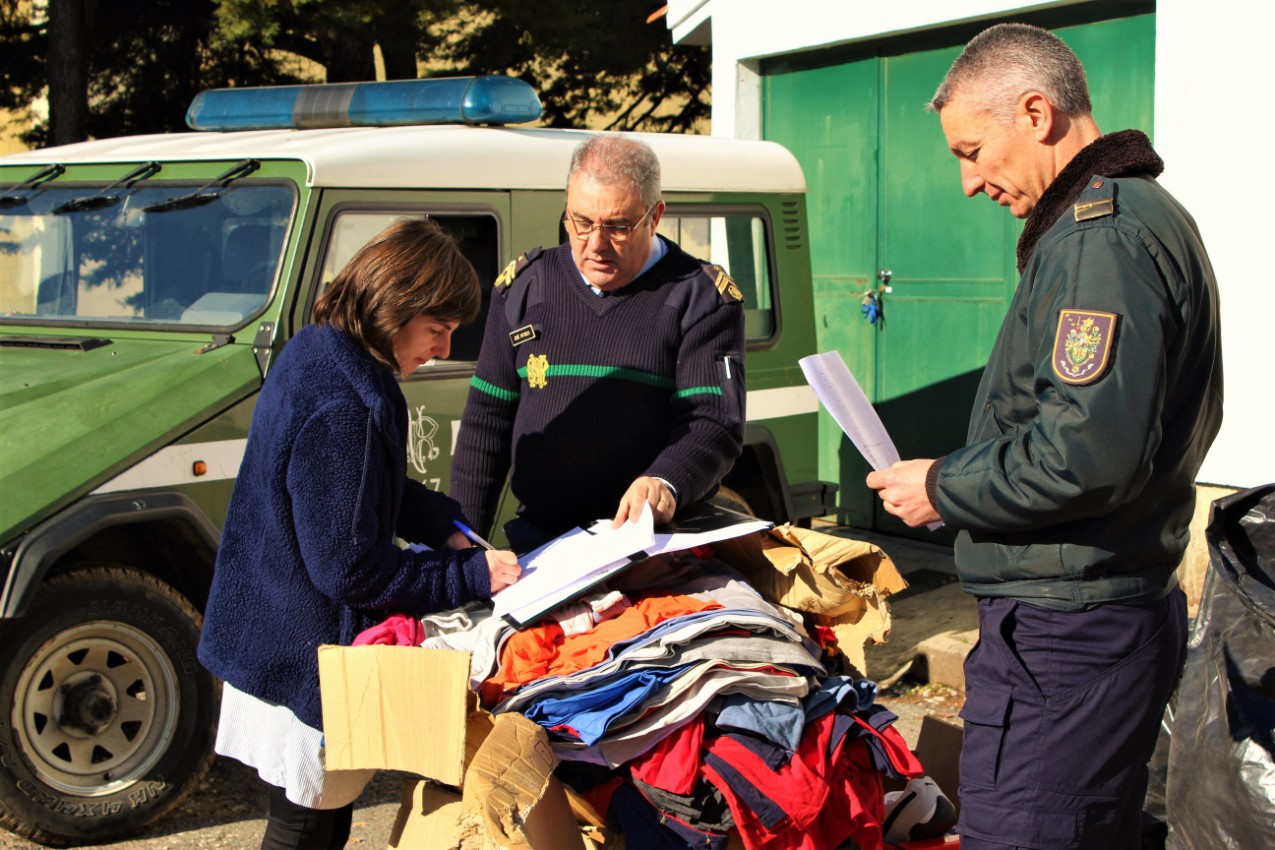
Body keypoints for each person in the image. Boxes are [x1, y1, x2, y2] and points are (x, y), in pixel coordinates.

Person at [865, 22, 1222, 850]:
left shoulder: (1101, 240)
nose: (965, 181)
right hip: (1085, 621)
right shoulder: (1128, 221)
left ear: (1034, 112)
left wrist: (942, 485)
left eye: (971, 149)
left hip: (1067, 639)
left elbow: (1084, 453)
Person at [197, 218, 522, 850]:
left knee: (313, 821)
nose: (444, 350)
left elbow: (368, 489)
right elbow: (349, 568)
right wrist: (472, 575)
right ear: (395, 305)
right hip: (299, 647)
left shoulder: (322, 349)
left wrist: (441, 526)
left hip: (272, 623)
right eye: (438, 330)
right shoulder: (343, 405)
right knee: (305, 828)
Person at [450, 134, 746, 552]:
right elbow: (487, 422)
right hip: (541, 543)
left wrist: (664, 482)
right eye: (581, 222)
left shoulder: (701, 298)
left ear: (655, 216)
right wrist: (461, 545)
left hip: (652, 549)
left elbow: (714, 422)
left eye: (618, 227)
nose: (596, 244)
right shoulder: (524, 287)